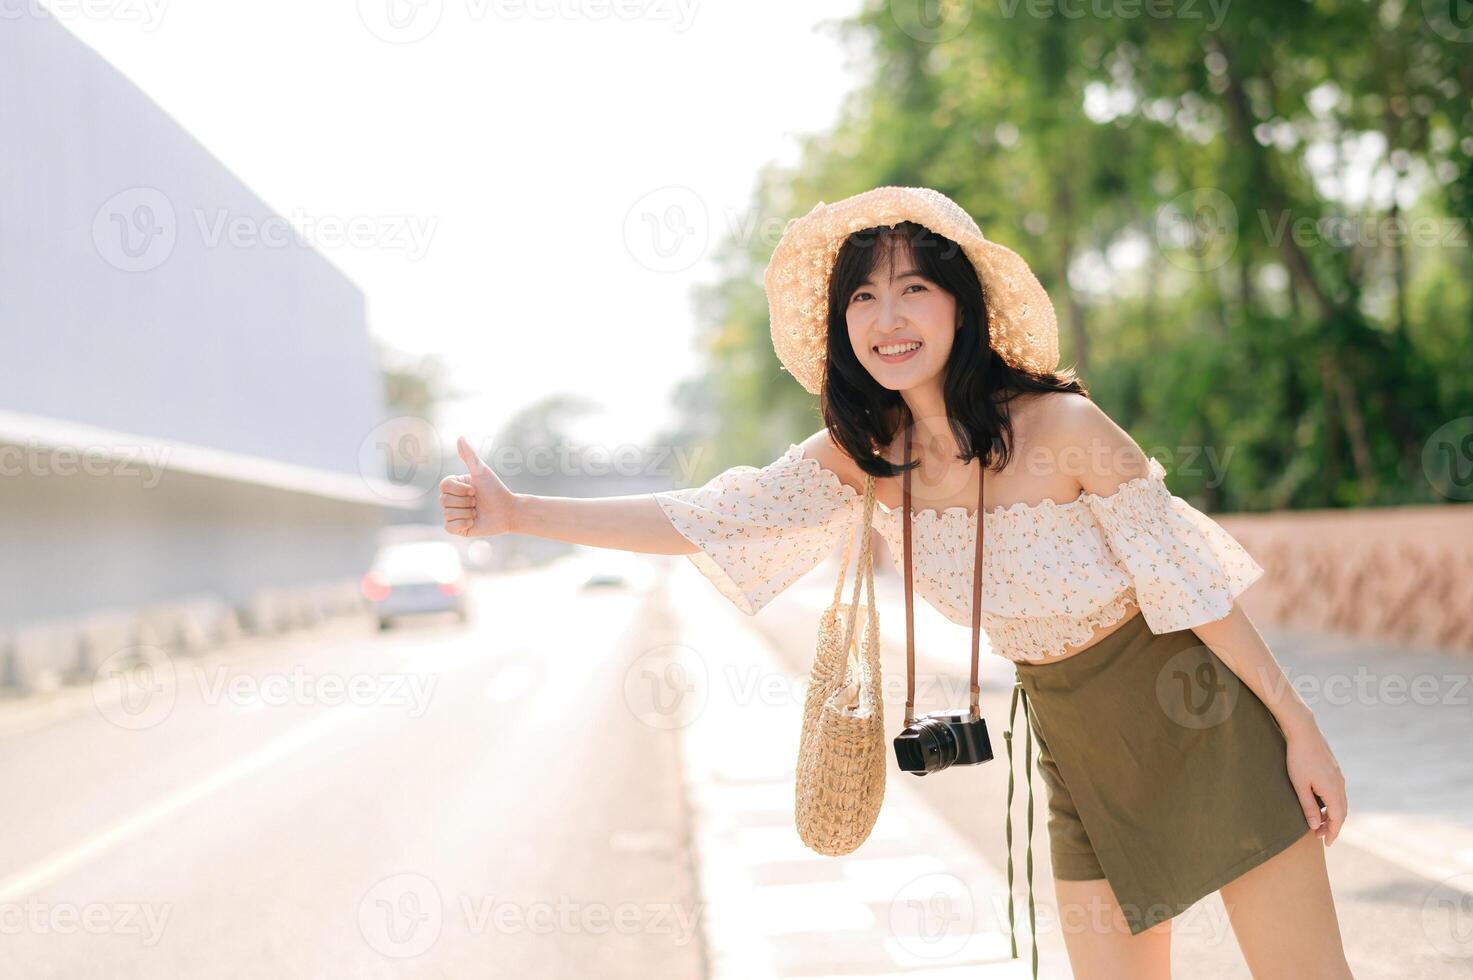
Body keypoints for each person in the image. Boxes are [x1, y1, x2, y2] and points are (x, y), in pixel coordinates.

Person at [438, 186, 1353, 979]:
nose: (887, 318)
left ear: (960, 306)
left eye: (914, 288)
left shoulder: (1064, 426)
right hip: (1076, 750)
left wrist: (1300, 731)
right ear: (842, 326)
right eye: (864, 297)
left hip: (1205, 721)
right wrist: (518, 512)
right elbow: (708, 516)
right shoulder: (865, 457)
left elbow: (1194, 587)